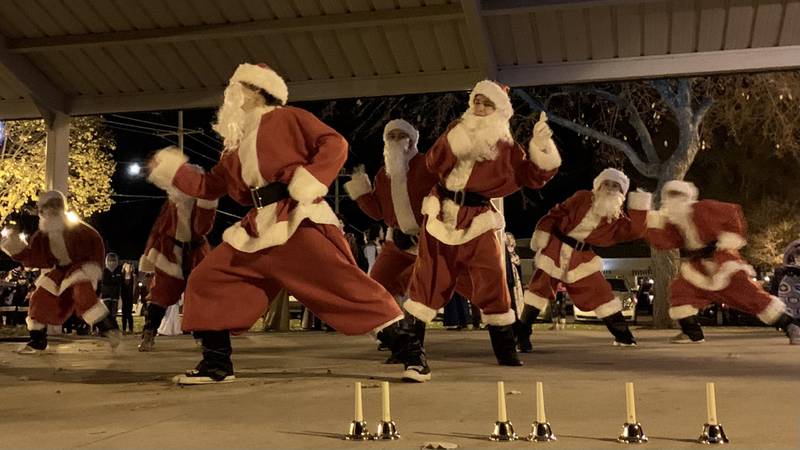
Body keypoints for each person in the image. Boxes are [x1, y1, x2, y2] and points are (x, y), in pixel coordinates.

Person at [146, 63, 425, 384]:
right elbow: (210, 185)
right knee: (208, 278)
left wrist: (310, 179)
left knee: (346, 286)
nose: (232, 94)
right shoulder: (235, 146)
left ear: (257, 90)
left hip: (297, 219)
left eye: (239, 87)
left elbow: (335, 144)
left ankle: (411, 353)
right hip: (258, 228)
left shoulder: (289, 117)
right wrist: (173, 170)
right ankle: (216, 364)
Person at [403, 80, 561, 373]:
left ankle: (505, 348)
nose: (479, 108)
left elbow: (531, 176)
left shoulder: (507, 148)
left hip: (478, 217)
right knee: (428, 277)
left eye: (487, 104)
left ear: (499, 110)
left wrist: (542, 147)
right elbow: (433, 163)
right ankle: (412, 352)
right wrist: (457, 140)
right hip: (441, 212)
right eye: (476, 102)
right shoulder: (456, 129)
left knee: (492, 278)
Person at [644, 181, 799, 344]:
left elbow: (732, 211)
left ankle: (791, 326)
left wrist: (730, 237)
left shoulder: (703, 208)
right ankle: (691, 332)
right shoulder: (675, 222)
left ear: (687, 196)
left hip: (723, 266)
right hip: (697, 268)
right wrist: (654, 224)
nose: (672, 200)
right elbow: (663, 242)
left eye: (676, 195)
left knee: (753, 298)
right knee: (680, 290)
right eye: (669, 196)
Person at [515, 169, 651, 351]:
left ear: (622, 193)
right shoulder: (582, 197)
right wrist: (543, 232)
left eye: (615, 186)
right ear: (598, 185)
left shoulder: (616, 218)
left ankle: (624, 336)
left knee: (601, 292)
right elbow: (557, 212)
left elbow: (636, 230)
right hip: (555, 249)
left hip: (581, 258)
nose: (610, 189)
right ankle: (521, 338)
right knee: (538, 290)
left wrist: (640, 205)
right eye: (607, 184)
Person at [0, 191, 120, 353]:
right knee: (39, 299)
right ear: (41, 211)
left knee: (83, 294)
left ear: (62, 208)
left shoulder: (80, 230)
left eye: (56, 206)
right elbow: (34, 258)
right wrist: (15, 247)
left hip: (79, 269)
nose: (52, 210)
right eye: (48, 207)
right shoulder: (41, 236)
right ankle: (37, 340)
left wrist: (93, 268)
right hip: (59, 272)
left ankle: (109, 329)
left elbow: (95, 244)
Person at [344, 119, 439, 305]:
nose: (396, 140)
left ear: (412, 140)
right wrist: (362, 193)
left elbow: (443, 199)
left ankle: (410, 326)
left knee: (410, 285)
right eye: (391, 136)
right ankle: (391, 329)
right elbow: (378, 213)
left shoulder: (427, 165)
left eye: (401, 136)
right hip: (395, 243)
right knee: (377, 286)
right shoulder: (383, 174)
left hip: (426, 241)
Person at [137, 187, 217, 351]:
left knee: (197, 295)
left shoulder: (202, 203)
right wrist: (150, 254)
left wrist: (207, 204)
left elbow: (203, 227)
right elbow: (158, 228)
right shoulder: (171, 203)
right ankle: (149, 332)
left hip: (196, 254)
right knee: (161, 294)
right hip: (170, 253)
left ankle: (201, 336)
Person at [769, 240, 800, 319]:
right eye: (797, 256)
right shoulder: (782, 273)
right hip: (790, 314)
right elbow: (774, 292)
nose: (798, 259)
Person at [97, 252, 122, 331]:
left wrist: (114, 280)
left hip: (115, 296)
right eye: (110, 260)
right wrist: (114, 279)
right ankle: (104, 329)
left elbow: (119, 282)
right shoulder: (104, 271)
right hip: (106, 296)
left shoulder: (118, 271)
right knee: (106, 314)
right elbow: (106, 282)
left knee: (113, 314)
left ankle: (113, 329)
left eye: (114, 260)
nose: (112, 262)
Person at [120, 262, 135, 334]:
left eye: (129, 267)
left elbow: (135, 287)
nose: (128, 269)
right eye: (127, 267)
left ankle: (131, 329)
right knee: (124, 314)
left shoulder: (133, 276)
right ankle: (124, 329)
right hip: (124, 297)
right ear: (124, 268)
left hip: (130, 297)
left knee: (129, 314)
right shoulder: (121, 277)